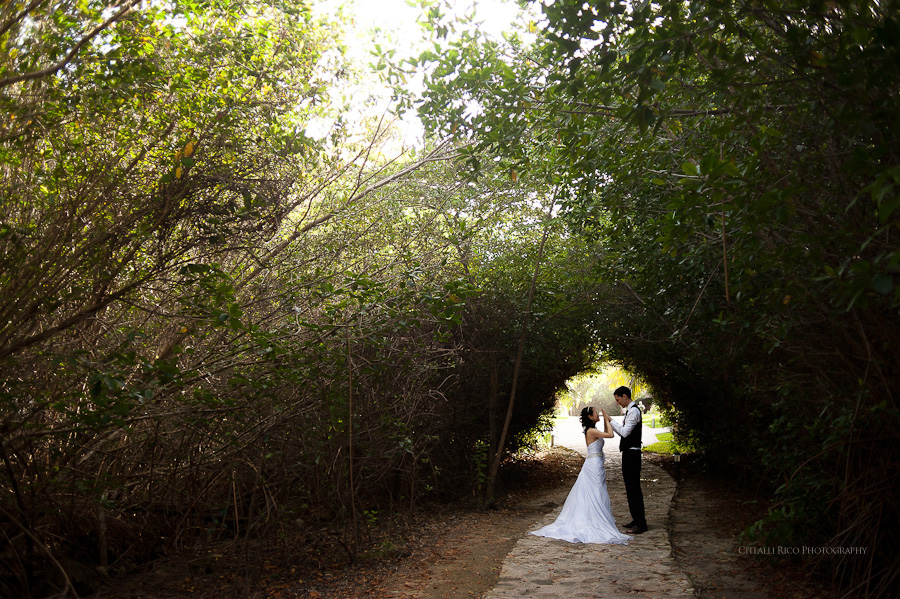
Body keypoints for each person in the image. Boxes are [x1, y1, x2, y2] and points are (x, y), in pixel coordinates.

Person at [529, 406, 631, 544]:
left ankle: (597, 518)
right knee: (595, 491)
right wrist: (607, 419)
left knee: (598, 491)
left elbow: (608, 432)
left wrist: (607, 420)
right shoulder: (591, 431)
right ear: (590, 416)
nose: (597, 414)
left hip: (597, 462)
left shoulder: (594, 430)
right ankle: (593, 520)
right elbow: (611, 435)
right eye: (595, 413)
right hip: (593, 464)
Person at [609, 386, 647, 534]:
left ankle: (641, 523)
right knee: (630, 488)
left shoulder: (634, 411)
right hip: (628, 453)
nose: (617, 403)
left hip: (633, 454)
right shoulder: (630, 411)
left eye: (618, 399)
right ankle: (636, 519)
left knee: (634, 488)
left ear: (625, 396)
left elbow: (625, 433)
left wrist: (611, 421)